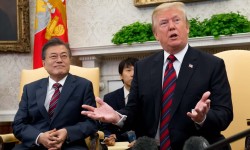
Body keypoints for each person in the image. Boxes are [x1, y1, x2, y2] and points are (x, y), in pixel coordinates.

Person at [81, 2, 233, 150]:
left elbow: (224, 114)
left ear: (187, 27)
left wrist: (203, 118)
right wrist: (117, 117)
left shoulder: (212, 65)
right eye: (164, 23)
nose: (172, 26)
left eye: (177, 20)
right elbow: (133, 111)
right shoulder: (143, 67)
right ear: (156, 34)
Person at [12, 38, 98, 150]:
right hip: (35, 145)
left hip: (69, 145)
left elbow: (92, 123)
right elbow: (18, 125)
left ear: (69, 60)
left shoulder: (84, 86)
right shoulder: (30, 89)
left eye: (64, 56)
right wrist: (40, 137)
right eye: (53, 56)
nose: (59, 60)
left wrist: (67, 132)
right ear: (44, 63)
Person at [101, 57, 138, 144]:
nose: (132, 74)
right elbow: (104, 126)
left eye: (136, 70)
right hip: (117, 144)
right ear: (121, 75)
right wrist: (109, 137)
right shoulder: (109, 98)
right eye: (128, 70)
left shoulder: (148, 96)